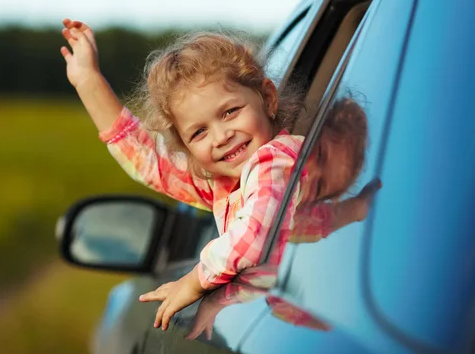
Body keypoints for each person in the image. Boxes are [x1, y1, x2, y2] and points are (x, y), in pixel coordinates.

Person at [59, 19, 380, 331]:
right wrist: (88, 80)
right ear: (186, 146)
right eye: (199, 133)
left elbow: (255, 235)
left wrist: (196, 281)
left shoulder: (276, 161)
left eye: (230, 112)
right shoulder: (227, 184)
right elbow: (148, 160)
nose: (221, 136)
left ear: (267, 98)